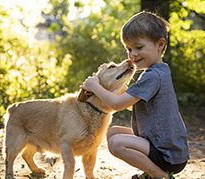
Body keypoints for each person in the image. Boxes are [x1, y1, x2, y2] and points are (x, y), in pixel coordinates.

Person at [81, 11, 189, 179]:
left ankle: (160, 176)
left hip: (168, 154)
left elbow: (117, 104)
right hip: (167, 145)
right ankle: (149, 172)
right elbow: (133, 104)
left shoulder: (153, 76)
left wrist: (95, 87)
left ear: (160, 45)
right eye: (129, 49)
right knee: (113, 132)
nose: (133, 54)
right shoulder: (160, 71)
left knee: (116, 144)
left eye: (139, 47)